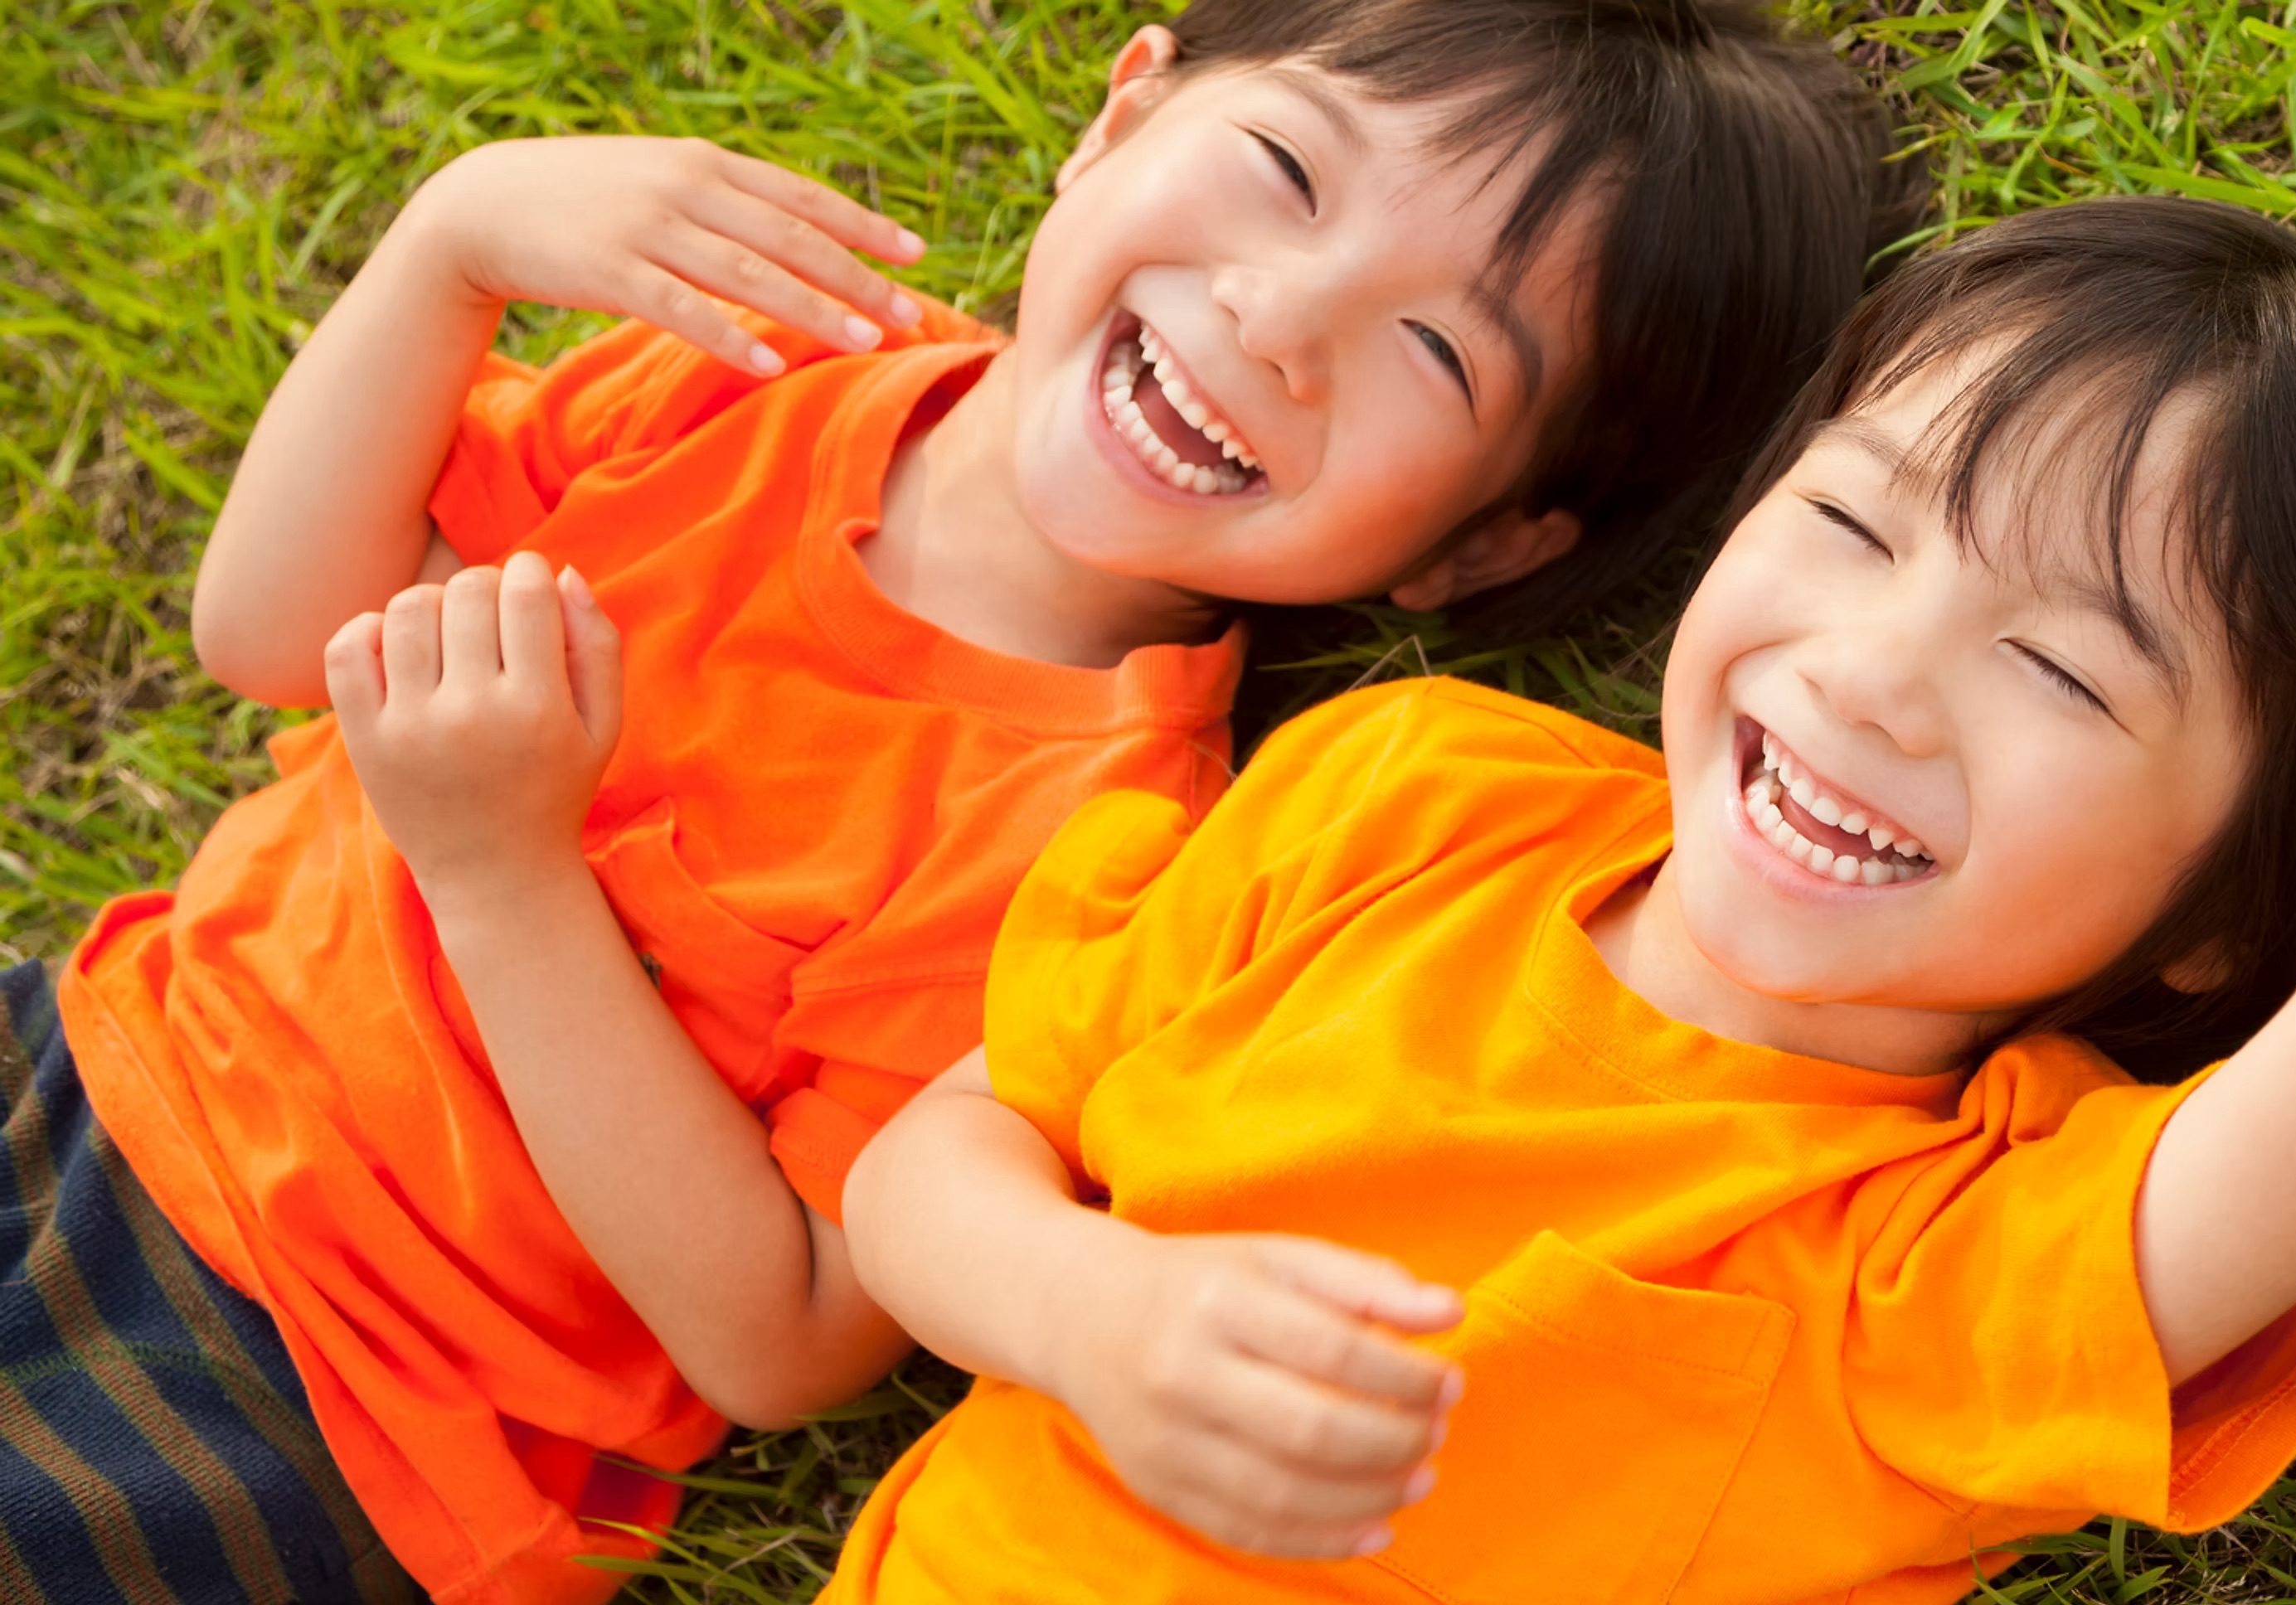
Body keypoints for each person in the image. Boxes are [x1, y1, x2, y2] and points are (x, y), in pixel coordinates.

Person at [13, 3, 1898, 1599]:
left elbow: (778, 1332)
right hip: (86, 1054)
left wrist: (502, 870)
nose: (1276, 315)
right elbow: (277, 631)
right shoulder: (746, 369)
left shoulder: (1099, 835)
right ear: (1127, 108)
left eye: (1433, 350)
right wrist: (448, 246)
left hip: (326, 1397)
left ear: (1479, 542)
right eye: (1289, 174)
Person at [827, 196, 2296, 1601]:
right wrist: (1084, 1312)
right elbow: (943, 1152)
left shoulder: (1935, 1266)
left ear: (2224, 918)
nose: (1871, 673)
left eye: (2061, 673)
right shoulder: (1401, 793)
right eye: (1850, 523)